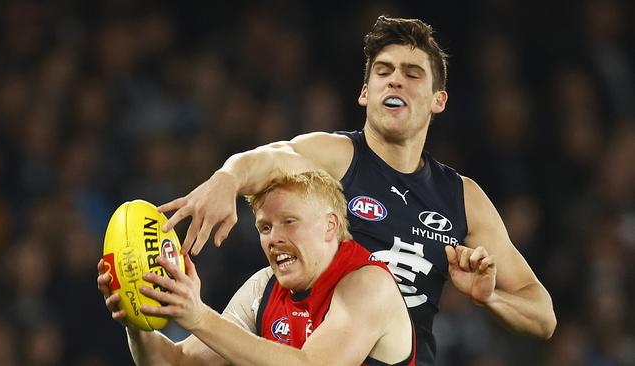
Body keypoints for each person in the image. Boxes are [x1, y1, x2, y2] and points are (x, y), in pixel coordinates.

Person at [155, 15, 557, 364]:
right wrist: (228, 178)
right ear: (365, 93)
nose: (395, 79)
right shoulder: (337, 156)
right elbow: (274, 156)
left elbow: (542, 316)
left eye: (412, 73)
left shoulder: (461, 198)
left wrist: (489, 299)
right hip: (310, 346)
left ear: (439, 100)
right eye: (383, 71)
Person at [98, 170, 416, 365]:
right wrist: (134, 308)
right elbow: (176, 364)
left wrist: (198, 316)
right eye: (265, 228)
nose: (274, 239)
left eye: (289, 222)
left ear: (330, 226)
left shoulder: (369, 285)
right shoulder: (263, 288)